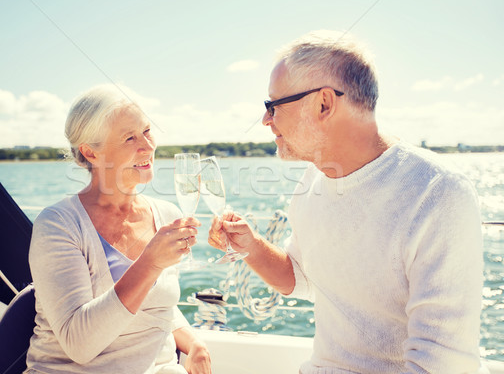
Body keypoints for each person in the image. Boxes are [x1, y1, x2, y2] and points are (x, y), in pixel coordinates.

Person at [209, 30, 487, 373]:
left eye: (273, 105)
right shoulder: (312, 180)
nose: (266, 119)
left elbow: (441, 365)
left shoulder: (438, 193)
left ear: (324, 103)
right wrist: (251, 246)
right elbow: (303, 279)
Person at [25, 84, 211, 374]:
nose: (148, 146)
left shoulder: (166, 215)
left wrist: (192, 341)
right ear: (90, 152)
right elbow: (80, 345)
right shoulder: (58, 225)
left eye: (147, 131)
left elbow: (153, 306)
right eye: (129, 138)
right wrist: (150, 263)